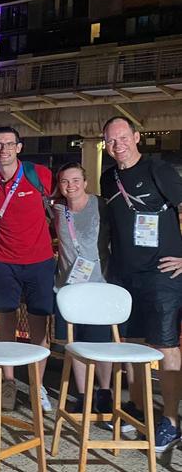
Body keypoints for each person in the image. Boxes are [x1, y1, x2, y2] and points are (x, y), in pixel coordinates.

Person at [101, 115, 182, 452]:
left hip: (162, 275)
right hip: (123, 277)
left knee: (165, 347)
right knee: (131, 347)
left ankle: (172, 421)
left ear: (136, 137)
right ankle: (138, 412)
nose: (118, 145)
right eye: (111, 140)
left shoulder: (157, 170)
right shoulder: (108, 179)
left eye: (123, 138)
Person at [0, 126, 55, 412]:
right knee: (5, 325)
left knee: (39, 327)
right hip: (2, 262)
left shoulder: (39, 175)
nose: (4, 149)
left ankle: (38, 386)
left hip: (40, 261)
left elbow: (66, 199)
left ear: (19, 148)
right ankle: (8, 383)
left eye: (10, 144)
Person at [52, 162, 112, 413]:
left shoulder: (101, 205)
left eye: (76, 180)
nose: (71, 186)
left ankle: (105, 392)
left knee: (101, 344)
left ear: (85, 183)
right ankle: (84, 394)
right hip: (67, 288)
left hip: (99, 286)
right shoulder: (56, 208)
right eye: (65, 181)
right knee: (72, 343)